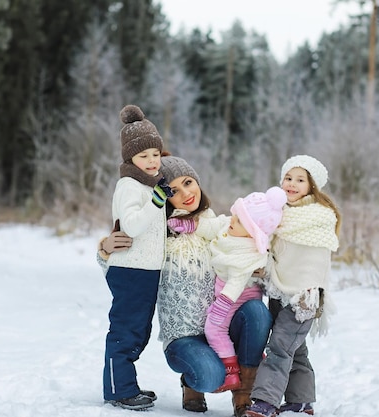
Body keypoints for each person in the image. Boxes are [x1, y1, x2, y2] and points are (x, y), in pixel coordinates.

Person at [98, 155, 272, 417]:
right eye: (174, 190)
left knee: (257, 312)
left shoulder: (223, 226)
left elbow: (260, 244)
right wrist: (105, 250)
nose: (186, 194)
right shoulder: (156, 233)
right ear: (164, 197)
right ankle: (191, 382)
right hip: (183, 336)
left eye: (188, 183)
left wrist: (261, 268)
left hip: (224, 325)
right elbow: (127, 269)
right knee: (210, 375)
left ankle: (244, 395)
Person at [243, 155, 342, 417]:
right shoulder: (277, 215)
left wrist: (310, 293)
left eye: (301, 180)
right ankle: (301, 400)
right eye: (288, 178)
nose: (292, 184)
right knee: (294, 349)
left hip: (304, 297)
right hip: (278, 291)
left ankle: (265, 401)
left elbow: (316, 263)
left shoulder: (319, 218)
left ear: (312, 187)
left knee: (279, 348)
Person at [101, 105, 174, 411]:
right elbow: (131, 225)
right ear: (130, 159)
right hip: (131, 269)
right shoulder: (129, 186)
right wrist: (157, 201)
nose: (151, 161)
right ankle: (119, 390)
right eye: (143, 156)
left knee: (139, 331)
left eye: (155, 154)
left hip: (145, 270)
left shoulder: (147, 185)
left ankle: (127, 384)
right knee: (127, 330)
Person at [199, 187, 287, 393]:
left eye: (238, 220)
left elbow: (236, 283)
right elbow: (210, 227)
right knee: (216, 326)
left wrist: (221, 305)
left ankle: (230, 371)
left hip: (235, 297)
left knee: (214, 328)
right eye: (235, 215)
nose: (231, 220)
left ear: (252, 231)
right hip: (228, 293)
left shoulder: (248, 253)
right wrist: (187, 225)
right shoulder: (230, 231)